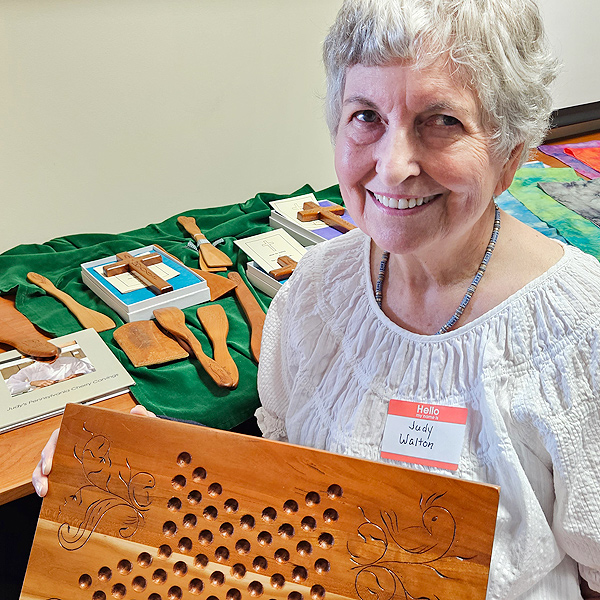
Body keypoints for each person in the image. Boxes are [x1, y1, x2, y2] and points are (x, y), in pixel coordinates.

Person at [34, 1, 600, 598]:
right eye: (366, 116)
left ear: (510, 152)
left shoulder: (580, 331)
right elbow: (288, 485)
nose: (393, 164)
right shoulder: (316, 291)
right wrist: (148, 458)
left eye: (442, 121)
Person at [6, 353, 95, 396]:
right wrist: (32, 383)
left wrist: (79, 375)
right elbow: (9, 388)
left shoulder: (70, 361)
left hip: (74, 393)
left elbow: (92, 371)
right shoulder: (29, 370)